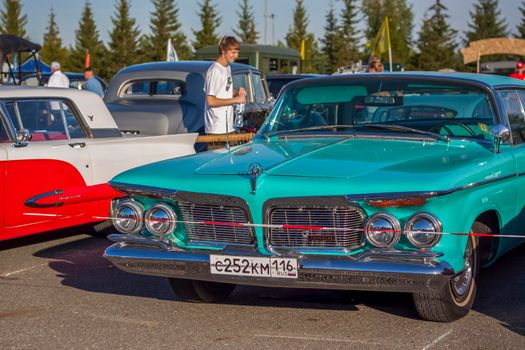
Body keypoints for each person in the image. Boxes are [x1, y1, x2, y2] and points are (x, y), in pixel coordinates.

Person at [204, 36, 246, 134]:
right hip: (216, 130)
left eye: (237, 53)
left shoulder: (227, 68)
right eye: (232, 52)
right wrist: (236, 100)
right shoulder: (214, 70)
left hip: (228, 127)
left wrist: (236, 92)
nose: (236, 56)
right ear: (223, 50)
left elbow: (222, 93)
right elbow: (211, 101)